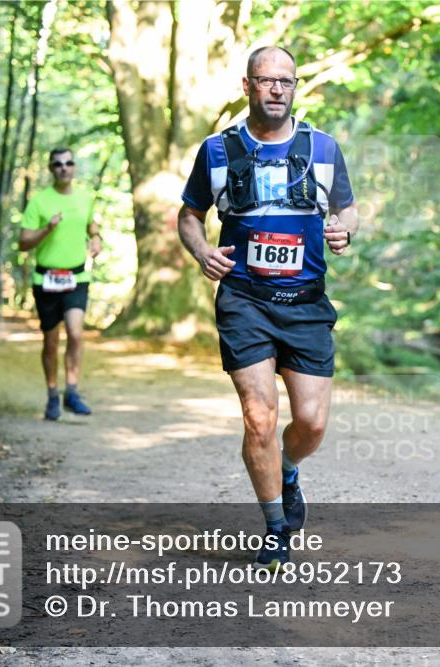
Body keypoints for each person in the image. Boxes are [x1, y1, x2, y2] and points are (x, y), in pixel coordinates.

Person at [177, 46, 358, 570]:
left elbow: (347, 207)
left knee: (311, 424)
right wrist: (202, 250)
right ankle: (276, 526)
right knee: (259, 419)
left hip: (305, 304)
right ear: (247, 85)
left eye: (286, 81)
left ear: (295, 87)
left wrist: (347, 229)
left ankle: (291, 469)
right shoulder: (217, 150)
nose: (277, 89)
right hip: (244, 302)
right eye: (266, 80)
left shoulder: (323, 147)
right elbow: (189, 215)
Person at [19, 148, 102, 421]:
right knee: (51, 341)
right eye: (58, 164)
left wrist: (97, 238)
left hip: (77, 278)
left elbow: (91, 225)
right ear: (50, 169)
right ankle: (53, 395)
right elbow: (23, 243)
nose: (64, 168)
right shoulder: (39, 202)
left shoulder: (84, 198)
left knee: (76, 333)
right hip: (46, 279)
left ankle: (73, 392)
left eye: (68, 163)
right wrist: (47, 229)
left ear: (74, 167)